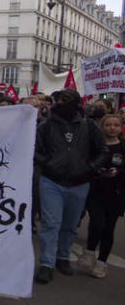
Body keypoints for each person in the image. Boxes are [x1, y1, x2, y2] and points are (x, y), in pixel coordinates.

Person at [34, 88, 107, 284]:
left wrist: (89, 168)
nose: (59, 102)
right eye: (58, 98)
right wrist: (48, 164)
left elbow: (103, 150)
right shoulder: (46, 125)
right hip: (51, 181)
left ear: (76, 103)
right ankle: (47, 263)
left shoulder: (89, 126)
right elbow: (35, 148)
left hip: (79, 183)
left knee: (70, 225)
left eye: (65, 99)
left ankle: (63, 257)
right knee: (51, 223)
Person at [78, 114, 125, 279]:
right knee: (97, 223)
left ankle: (101, 262)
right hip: (95, 191)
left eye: (116, 125)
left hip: (116, 194)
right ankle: (89, 251)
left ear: (120, 128)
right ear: (102, 127)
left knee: (108, 228)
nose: (112, 128)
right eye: (108, 125)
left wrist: (118, 171)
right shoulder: (95, 145)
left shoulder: (122, 147)